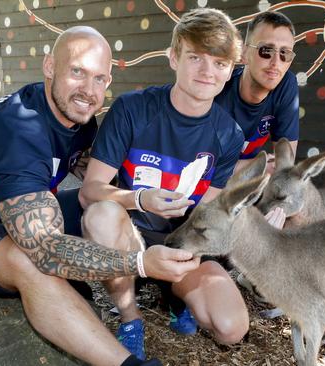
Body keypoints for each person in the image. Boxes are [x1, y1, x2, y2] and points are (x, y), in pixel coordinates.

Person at [0, 26, 201, 366]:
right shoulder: (14, 129)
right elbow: (46, 249)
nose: (88, 91)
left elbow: (79, 165)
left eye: (99, 79)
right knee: (30, 261)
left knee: (102, 203)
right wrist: (139, 263)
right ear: (50, 67)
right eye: (77, 72)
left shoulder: (80, 120)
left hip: (9, 218)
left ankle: (136, 310)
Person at [79, 8, 249, 359]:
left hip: (178, 244)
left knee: (231, 328)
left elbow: (206, 211)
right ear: (174, 57)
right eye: (196, 57)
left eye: (220, 63)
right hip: (129, 240)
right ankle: (130, 317)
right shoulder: (132, 109)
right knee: (100, 216)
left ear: (230, 70)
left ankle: (173, 296)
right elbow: (90, 190)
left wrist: (190, 259)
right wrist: (141, 200)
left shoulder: (229, 134)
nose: (207, 71)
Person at [214, 11, 300, 174]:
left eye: (285, 53)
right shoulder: (217, 87)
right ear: (244, 53)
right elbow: (199, 169)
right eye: (266, 50)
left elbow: (285, 165)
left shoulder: (286, 84)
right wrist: (256, 165)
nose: (276, 63)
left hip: (244, 185)